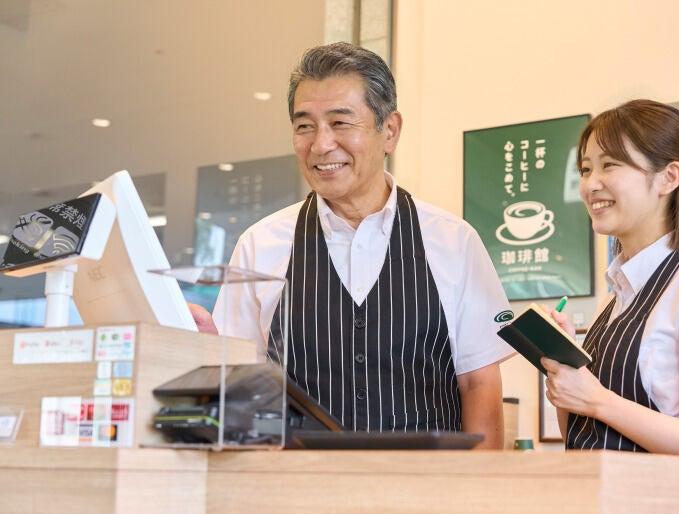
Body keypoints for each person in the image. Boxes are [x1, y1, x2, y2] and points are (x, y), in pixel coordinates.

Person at [190, 43, 512, 448]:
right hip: (298, 496)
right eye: (304, 125)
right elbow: (239, 382)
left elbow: (478, 384)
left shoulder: (453, 240)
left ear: (389, 130)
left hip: (427, 494)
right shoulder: (261, 244)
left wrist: (476, 500)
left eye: (340, 123)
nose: (321, 144)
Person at [542, 99, 679, 479]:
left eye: (610, 165)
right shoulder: (615, 300)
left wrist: (598, 400)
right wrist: (567, 372)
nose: (591, 184)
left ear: (669, 177)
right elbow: (590, 439)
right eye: (586, 169)